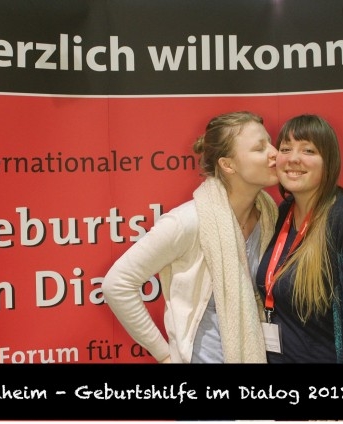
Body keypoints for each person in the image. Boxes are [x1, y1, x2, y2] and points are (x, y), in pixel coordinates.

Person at [102, 111, 279, 363]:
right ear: (228, 165)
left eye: (270, 143)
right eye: (260, 148)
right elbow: (116, 284)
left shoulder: (270, 216)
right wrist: (164, 355)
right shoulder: (188, 221)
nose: (275, 153)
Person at [255, 114, 343, 363]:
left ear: (328, 162)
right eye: (285, 149)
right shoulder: (281, 213)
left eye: (308, 150)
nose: (293, 158)